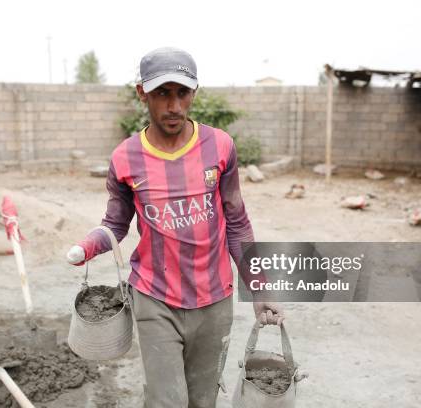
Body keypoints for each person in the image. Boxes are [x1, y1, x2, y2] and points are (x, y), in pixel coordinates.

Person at [67, 47, 284, 408]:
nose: (174, 106)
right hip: (155, 298)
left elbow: (237, 222)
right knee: (167, 400)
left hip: (214, 300)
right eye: (162, 93)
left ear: (194, 92)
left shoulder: (220, 146)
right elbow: (115, 224)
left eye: (183, 93)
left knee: (202, 400)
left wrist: (260, 288)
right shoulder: (125, 157)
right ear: (142, 93)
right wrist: (87, 247)